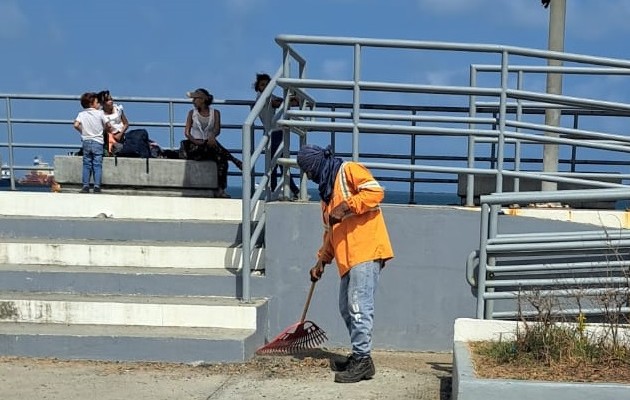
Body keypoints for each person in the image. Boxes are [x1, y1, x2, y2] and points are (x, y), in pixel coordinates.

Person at [296, 144, 394, 384]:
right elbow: (331, 232)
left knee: (359, 306)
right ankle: (361, 355)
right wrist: (321, 260)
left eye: (309, 170)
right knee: (346, 307)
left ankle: (362, 359)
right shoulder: (326, 195)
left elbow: (375, 192)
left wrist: (346, 206)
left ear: (317, 163)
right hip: (347, 258)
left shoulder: (348, 170)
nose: (310, 176)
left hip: (366, 249)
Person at [182, 88, 242, 198]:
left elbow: (217, 129)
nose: (193, 101)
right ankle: (235, 160)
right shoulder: (192, 113)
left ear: (203, 100)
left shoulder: (215, 113)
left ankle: (220, 189)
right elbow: (187, 133)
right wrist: (197, 141)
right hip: (194, 146)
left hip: (209, 145)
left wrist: (212, 136)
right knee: (215, 148)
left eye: (196, 99)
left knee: (222, 160)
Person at [254, 73, 299, 199]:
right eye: (262, 85)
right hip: (273, 133)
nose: (265, 87)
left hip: (276, 132)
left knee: (278, 163)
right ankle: (292, 190)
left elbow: (286, 102)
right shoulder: (263, 98)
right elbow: (278, 103)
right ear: (258, 87)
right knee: (279, 163)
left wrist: (291, 99)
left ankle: (283, 190)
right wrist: (291, 99)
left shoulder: (270, 97)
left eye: (268, 84)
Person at [73, 92, 111, 193]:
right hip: (98, 141)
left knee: (87, 164)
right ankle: (97, 186)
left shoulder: (81, 114)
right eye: (97, 102)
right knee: (97, 164)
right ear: (92, 103)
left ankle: (85, 186)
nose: (99, 104)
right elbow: (108, 124)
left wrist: (83, 131)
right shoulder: (100, 113)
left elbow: (76, 125)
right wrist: (104, 129)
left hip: (86, 141)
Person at [97, 90, 128, 156]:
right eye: (107, 100)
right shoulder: (100, 113)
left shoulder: (118, 109)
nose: (111, 101)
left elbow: (126, 124)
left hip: (120, 135)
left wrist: (120, 134)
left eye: (111, 99)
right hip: (107, 138)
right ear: (102, 103)